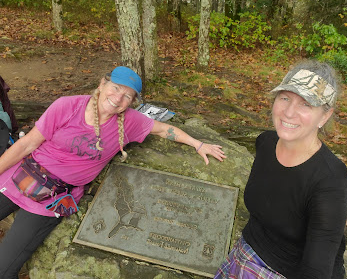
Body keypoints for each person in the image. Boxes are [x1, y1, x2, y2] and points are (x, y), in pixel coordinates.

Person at [0, 66, 226, 278]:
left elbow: (165, 129)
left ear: (132, 102)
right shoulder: (67, 106)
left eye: (127, 96)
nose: (118, 98)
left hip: (51, 199)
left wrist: (198, 144)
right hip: (21, 175)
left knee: (4, 266)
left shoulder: (130, 122)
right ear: (102, 84)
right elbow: (25, 145)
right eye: (116, 88)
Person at [215, 60, 347, 279]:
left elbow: (316, 270)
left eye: (305, 104)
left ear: (324, 116)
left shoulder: (331, 181)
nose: (289, 112)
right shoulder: (266, 143)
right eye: (285, 98)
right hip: (243, 256)